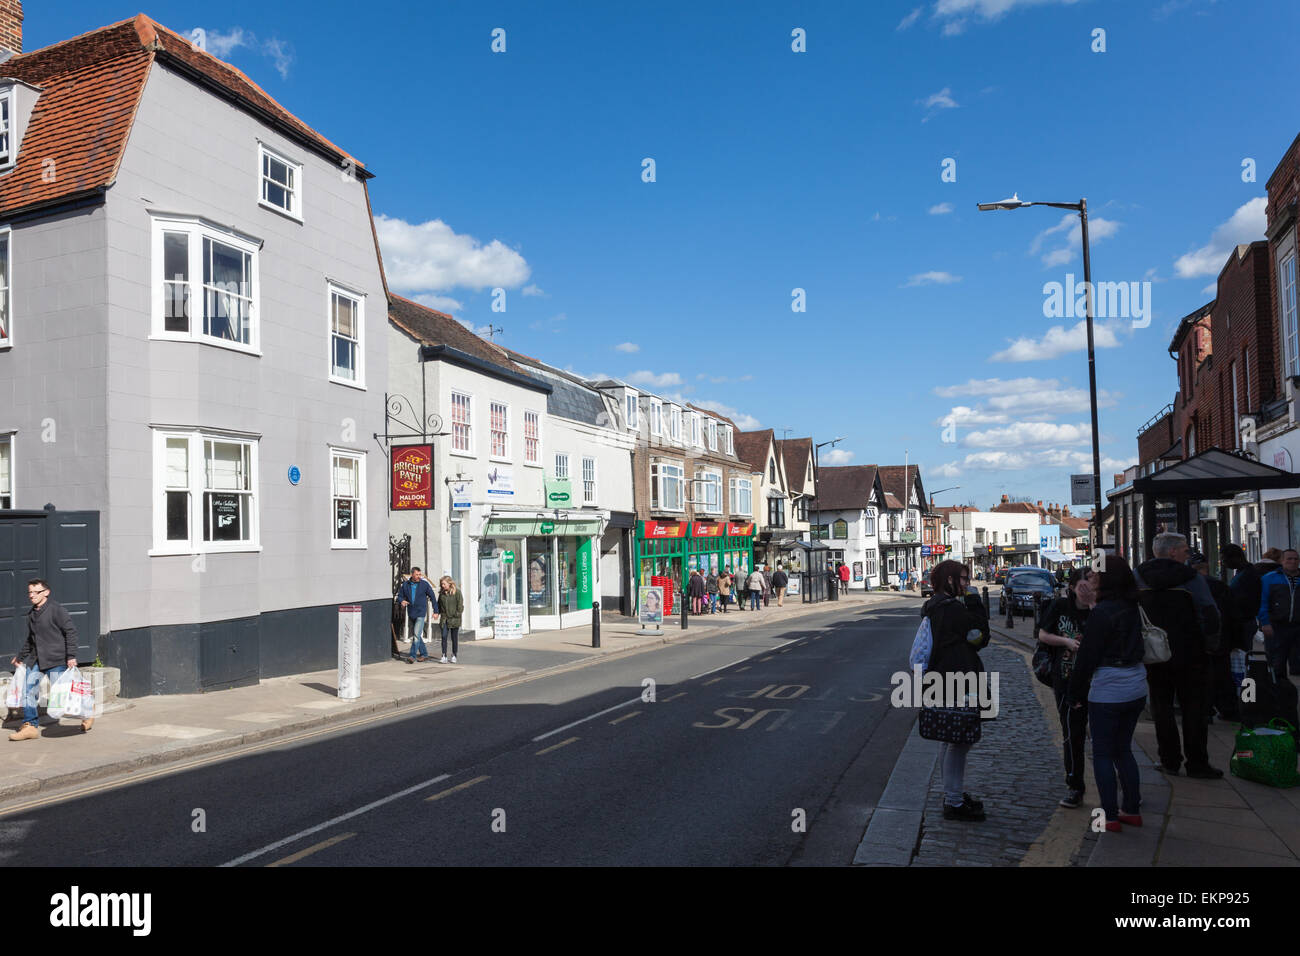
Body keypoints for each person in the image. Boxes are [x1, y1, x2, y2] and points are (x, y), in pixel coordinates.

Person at [1068, 554, 1147, 832]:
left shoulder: (1103, 612)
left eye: (1094, 574)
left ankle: (1109, 817)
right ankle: (1132, 810)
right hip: (1136, 683)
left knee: (1102, 753)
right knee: (1123, 750)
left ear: (1106, 577)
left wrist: (1075, 694)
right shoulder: (1131, 605)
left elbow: (1087, 658)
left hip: (1108, 688)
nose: (1090, 577)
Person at [1136, 532, 1222, 778]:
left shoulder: (1139, 576)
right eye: (1185, 548)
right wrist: (1210, 645)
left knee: (1162, 708)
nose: (1188, 552)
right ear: (1172, 552)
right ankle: (1197, 763)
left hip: (1155, 653)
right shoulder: (1191, 577)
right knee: (1195, 709)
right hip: (1191, 651)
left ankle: (1169, 760)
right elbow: (1209, 612)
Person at [921, 560, 990, 821]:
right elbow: (982, 635)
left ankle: (953, 794)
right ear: (950, 580)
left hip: (942, 676)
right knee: (961, 740)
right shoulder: (952, 609)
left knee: (949, 737)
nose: (967, 583)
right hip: (958, 677)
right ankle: (953, 801)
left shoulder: (933, 605)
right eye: (963, 578)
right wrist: (973, 600)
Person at [1036, 568, 1094, 808]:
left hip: (1098, 681)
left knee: (1105, 737)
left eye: (1092, 585)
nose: (1088, 590)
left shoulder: (1101, 608)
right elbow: (1043, 635)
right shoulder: (1060, 607)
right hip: (1067, 679)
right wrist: (1067, 641)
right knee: (1073, 735)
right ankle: (1075, 785)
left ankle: (1119, 789)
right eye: (1083, 586)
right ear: (1072, 588)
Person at [9, 579, 84, 739]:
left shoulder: (57, 610)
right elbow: (31, 639)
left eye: (35, 592)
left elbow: (71, 632)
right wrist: (20, 657)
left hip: (56, 660)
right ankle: (30, 726)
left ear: (46, 592)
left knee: (63, 696)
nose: (31, 595)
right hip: (36, 660)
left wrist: (71, 656)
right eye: (29, 592)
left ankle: (86, 714)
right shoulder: (31, 614)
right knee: (28, 691)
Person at [1190, 551, 1239, 722]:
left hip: (1199, 639)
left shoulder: (1189, 587)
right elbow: (1232, 614)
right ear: (1206, 567)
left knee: (1202, 677)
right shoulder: (1219, 586)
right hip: (1221, 638)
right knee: (1223, 675)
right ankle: (1229, 709)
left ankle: (1206, 710)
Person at [1258, 547, 1300, 683]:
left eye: (1296, 559)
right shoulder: (1269, 578)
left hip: (1297, 627)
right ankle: (1278, 695)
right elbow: (1262, 601)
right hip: (1276, 627)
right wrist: (1265, 622)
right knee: (1277, 665)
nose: (1293, 562)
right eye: (1289, 559)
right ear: (1281, 561)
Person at [399, 567, 437, 664]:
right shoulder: (406, 585)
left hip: (421, 612)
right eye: (417, 574)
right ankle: (424, 654)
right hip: (411, 612)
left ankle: (412, 655)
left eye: (420, 574)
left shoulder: (424, 584)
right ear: (412, 574)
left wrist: (436, 611)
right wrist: (402, 600)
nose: (419, 576)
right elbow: (400, 596)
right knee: (417, 635)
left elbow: (432, 597)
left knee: (416, 635)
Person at [438, 576, 464, 663]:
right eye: (441, 584)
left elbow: (460, 605)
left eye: (444, 584)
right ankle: (444, 655)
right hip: (445, 619)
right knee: (444, 636)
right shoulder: (441, 593)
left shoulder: (457, 592)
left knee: (454, 638)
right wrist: (436, 613)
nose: (442, 585)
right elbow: (439, 605)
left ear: (449, 583)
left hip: (454, 619)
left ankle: (454, 654)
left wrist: (456, 614)